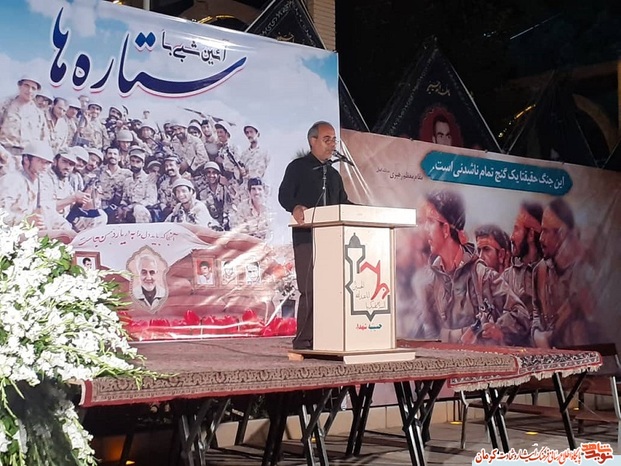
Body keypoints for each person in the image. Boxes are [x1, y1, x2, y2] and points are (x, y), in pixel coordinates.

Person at [416, 190, 529, 346]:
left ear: (446, 229)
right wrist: (457, 335)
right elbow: (427, 332)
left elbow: (521, 315)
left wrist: (498, 329)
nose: (425, 229)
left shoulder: (483, 276)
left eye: (430, 221)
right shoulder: (430, 281)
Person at [278, 120, 353, 350]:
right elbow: (284, 195)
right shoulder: (298, 167)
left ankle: (328, 336)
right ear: (312, 141)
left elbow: (342, 203)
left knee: (333, 287)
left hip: (333, 239)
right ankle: (303, 339)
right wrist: (295, 206)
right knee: (310, 288)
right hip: (307, 237)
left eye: (334, 140)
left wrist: (364, 211)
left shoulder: (333, 175)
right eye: (326, 139)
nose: (332, 144)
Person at [531, 198, 599, 348]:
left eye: (547, 232)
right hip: (551, 358)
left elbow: (596, 320)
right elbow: (536, 313)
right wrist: (537, 336)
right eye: (542, 231)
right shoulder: (540, 271)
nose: (541, 238)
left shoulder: (584, 273)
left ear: (563, 234)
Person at [501, 202, 543, 321]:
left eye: (516, 229)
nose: (511, 237)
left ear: (530, 235)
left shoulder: (549, 273)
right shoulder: (507, 277)